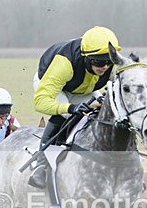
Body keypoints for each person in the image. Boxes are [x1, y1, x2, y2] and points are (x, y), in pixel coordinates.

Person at [27, 25, 121, 188]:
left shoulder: (112, 64)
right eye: (99, 62)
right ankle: (41, 165)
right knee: (66, 115)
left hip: (84, 88)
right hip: (52, 86)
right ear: (86, 57)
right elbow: (40, 101)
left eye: (109, 61)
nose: (105, 67)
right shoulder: (64, 63)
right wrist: (70, 108)